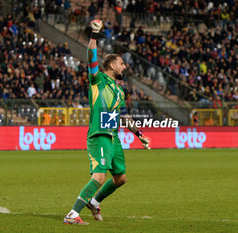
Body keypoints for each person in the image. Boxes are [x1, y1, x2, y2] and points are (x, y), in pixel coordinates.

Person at [63, 20, 151, 225]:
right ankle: (72, 214)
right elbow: (91, 56)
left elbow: (124, 116)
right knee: (99, 177)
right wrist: (94, 34)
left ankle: (94, 202)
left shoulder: (120, 90)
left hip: (114, 138)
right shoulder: (98, 80)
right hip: (99, 136)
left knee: (121, 179)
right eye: (122, 63)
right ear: (112, 65)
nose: (125, 66)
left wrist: (140, 135)